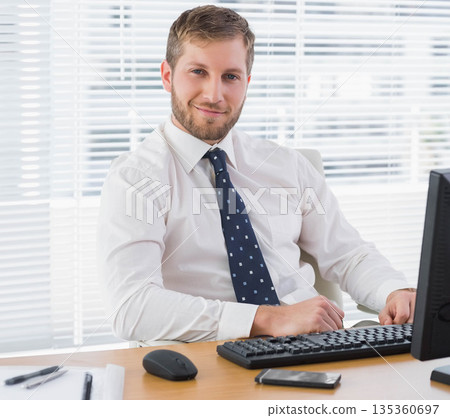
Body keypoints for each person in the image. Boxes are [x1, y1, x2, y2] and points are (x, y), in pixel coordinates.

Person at [97, 5, 416, 343]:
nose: (214, 94)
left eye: (230, 76)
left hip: (312, 346)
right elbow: (131, 307)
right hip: (204, 359)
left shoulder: (286, 165)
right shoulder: (136, 179)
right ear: (167, 76)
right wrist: (265, 319)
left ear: (246, 83)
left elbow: (348, 254)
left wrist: (393, 290)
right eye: (198, 72)